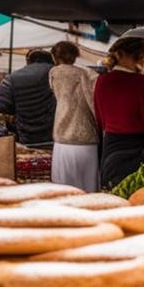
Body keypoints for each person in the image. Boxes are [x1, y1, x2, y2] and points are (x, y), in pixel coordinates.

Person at [93, 37, 144, 188]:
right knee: (139, 192)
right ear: (140, 56)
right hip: (138, 147)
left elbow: (100, 119)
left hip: (112, 145)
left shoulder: (102, 81)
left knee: (114, 192)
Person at [48, 41, 99, 191]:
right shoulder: (83, 73)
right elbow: (92, 100)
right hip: (85, 138)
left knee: (64, 189)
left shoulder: (53, 73)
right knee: (88, 188)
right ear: (75, 56)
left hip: (61, 137)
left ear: (55, 57)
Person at [0, 49, 56, 146]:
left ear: (28, 61)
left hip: (27, 137)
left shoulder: (11, 78)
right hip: (55, 137)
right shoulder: (58, 74)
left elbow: (1, 107)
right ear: (52, 61)